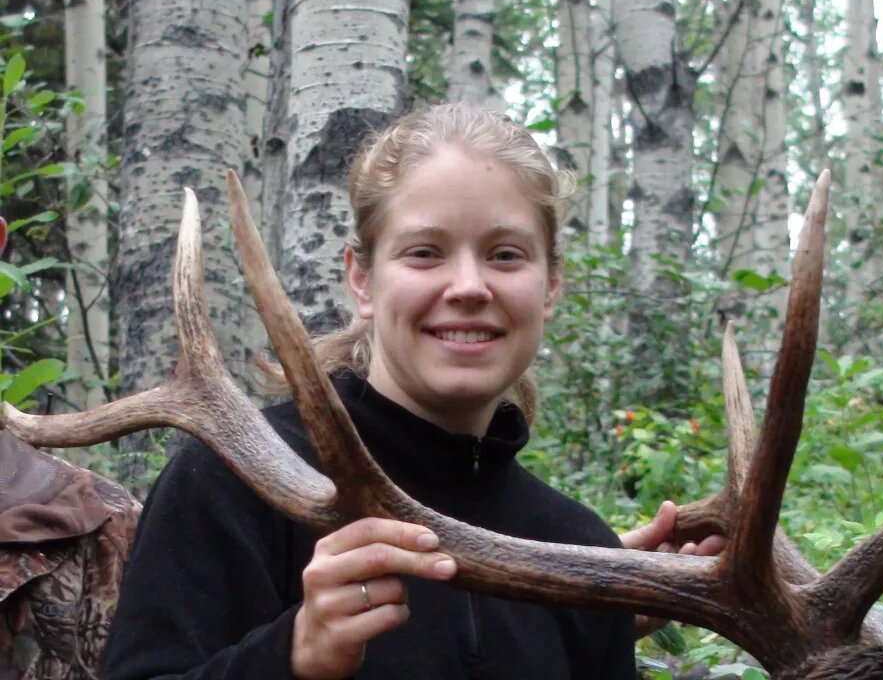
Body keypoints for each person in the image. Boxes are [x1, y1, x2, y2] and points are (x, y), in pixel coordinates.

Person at [99, 104, 717, 680]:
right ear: (362, 279)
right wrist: (290, 653)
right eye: (425, 253)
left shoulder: (579, 546)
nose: (469, 286)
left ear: (550, 284)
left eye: (505, 255)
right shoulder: (236, 479)